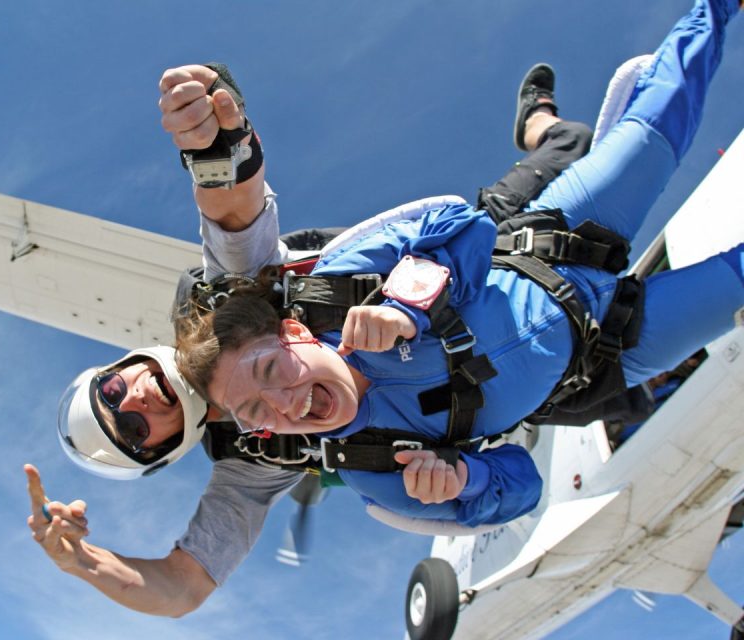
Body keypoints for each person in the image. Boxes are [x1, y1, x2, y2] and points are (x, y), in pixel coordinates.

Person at [26, 0, 741, 616]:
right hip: (599, 356)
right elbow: (183, 588)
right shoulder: (283, 457)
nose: (137, 402)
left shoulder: (237, 306)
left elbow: (236, 220)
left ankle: (540, 125)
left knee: (592, 140)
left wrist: (216, 146)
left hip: (509, 250)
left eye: (114, 388)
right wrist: (85, 565)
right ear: (164, 452)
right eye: (134, 431)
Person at [173, 0, 743, 528]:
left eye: (270, 371)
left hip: (562, 238)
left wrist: (405, 307)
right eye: (254, 412)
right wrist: (466, 479)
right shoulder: (377, 470)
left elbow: (460, 221)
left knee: (661, 120)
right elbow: (523, 492)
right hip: (610, 354)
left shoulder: (338, 286)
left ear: (295, 334)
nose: (282, 405)